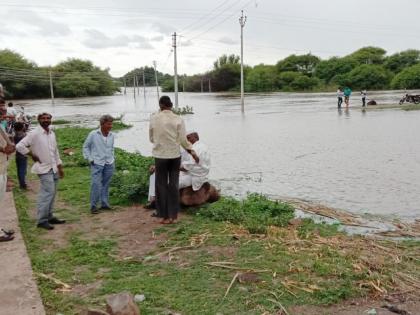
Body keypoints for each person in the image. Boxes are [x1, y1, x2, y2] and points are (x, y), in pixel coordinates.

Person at [149, 96, 198, 224]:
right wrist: (192, 152)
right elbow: (183, 140)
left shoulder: (154, 117)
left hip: (160, 156)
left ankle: (164, 216)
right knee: (173, 185)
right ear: (171, 106)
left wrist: (160, 143)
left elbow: (151, 137)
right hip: (175, 156)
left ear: (160, 105)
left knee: (161, 185)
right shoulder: (178, 119)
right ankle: (173, 216)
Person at [16, 112, 65, 230]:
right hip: (43, 168)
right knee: (47, 193)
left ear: (51, 120)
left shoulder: (51, 133)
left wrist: (59, 167)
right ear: (38, 120)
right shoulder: (34, 133)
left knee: (52, 193)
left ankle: (49, 216)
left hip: (53, 167)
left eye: (48, 118)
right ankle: (41, 220)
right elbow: (19, 146)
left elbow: (55, 151)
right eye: (43, 118)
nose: (46, 120)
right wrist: (31, 154)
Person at [146, 131, 210, 209]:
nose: (187, 140)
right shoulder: (185, 147)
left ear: (196, 137)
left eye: (189, 137)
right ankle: (152, 199)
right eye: (186, 138)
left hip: (193, 175)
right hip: (183, 172)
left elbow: (187, 167)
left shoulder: (198, 149)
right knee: (155, 174)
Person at [83, 115, 115, 214]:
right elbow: (85, 147)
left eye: (111, 124)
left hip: (109, 162)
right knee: (96, 184)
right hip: (97, 163)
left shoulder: (112, 135)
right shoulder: (93, 134)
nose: (111, 126)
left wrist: (113, 158)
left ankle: (104, 204)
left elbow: (111, 148)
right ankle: (93, 206)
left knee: (105, 184)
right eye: (108, 124)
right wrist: (90, 158)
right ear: (102, 124)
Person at [13, 122, 28, 189]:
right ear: (22, 128)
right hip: (23, 155)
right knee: (23, 170)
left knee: (19, 170)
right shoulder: (24, 135)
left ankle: (21, 183)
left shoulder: (15, 135)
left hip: (18, 154)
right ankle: (23, 184)